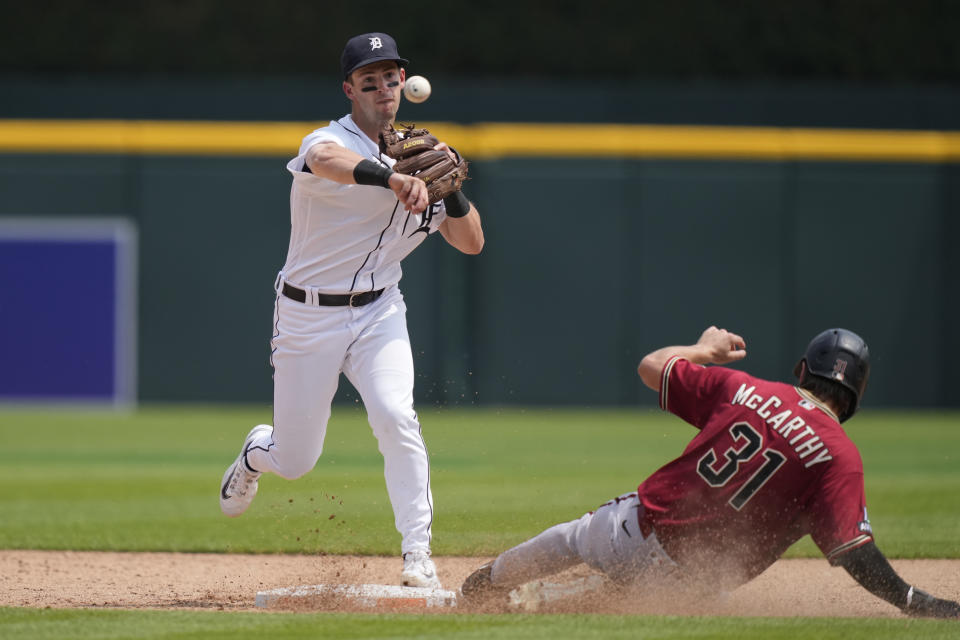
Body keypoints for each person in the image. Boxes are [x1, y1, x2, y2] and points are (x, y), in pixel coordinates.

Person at [219, 32, 484, 589]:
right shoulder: (329, 139)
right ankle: (253, 456)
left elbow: (471, 242)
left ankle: (418, 555)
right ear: (350, 89)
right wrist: (391, 177)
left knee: (396, 415)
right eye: (371, 80)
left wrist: (452, 187)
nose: (385, 88)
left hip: (379, 313)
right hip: (306, 315)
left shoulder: (421, 153)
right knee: (295, 459)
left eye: (392, 77)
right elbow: (326, 161)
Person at [461, 327, 960, 618]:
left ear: (804, 370)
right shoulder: (838, 456)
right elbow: (857, 553)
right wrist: (911, 599)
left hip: (633, 533)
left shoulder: (745, 388)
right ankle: (546, 601)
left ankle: (486, 583)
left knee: (572, 541)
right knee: (634, 602)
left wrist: (704, 349)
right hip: (693, 584)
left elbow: (652, 366)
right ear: (855, 397)